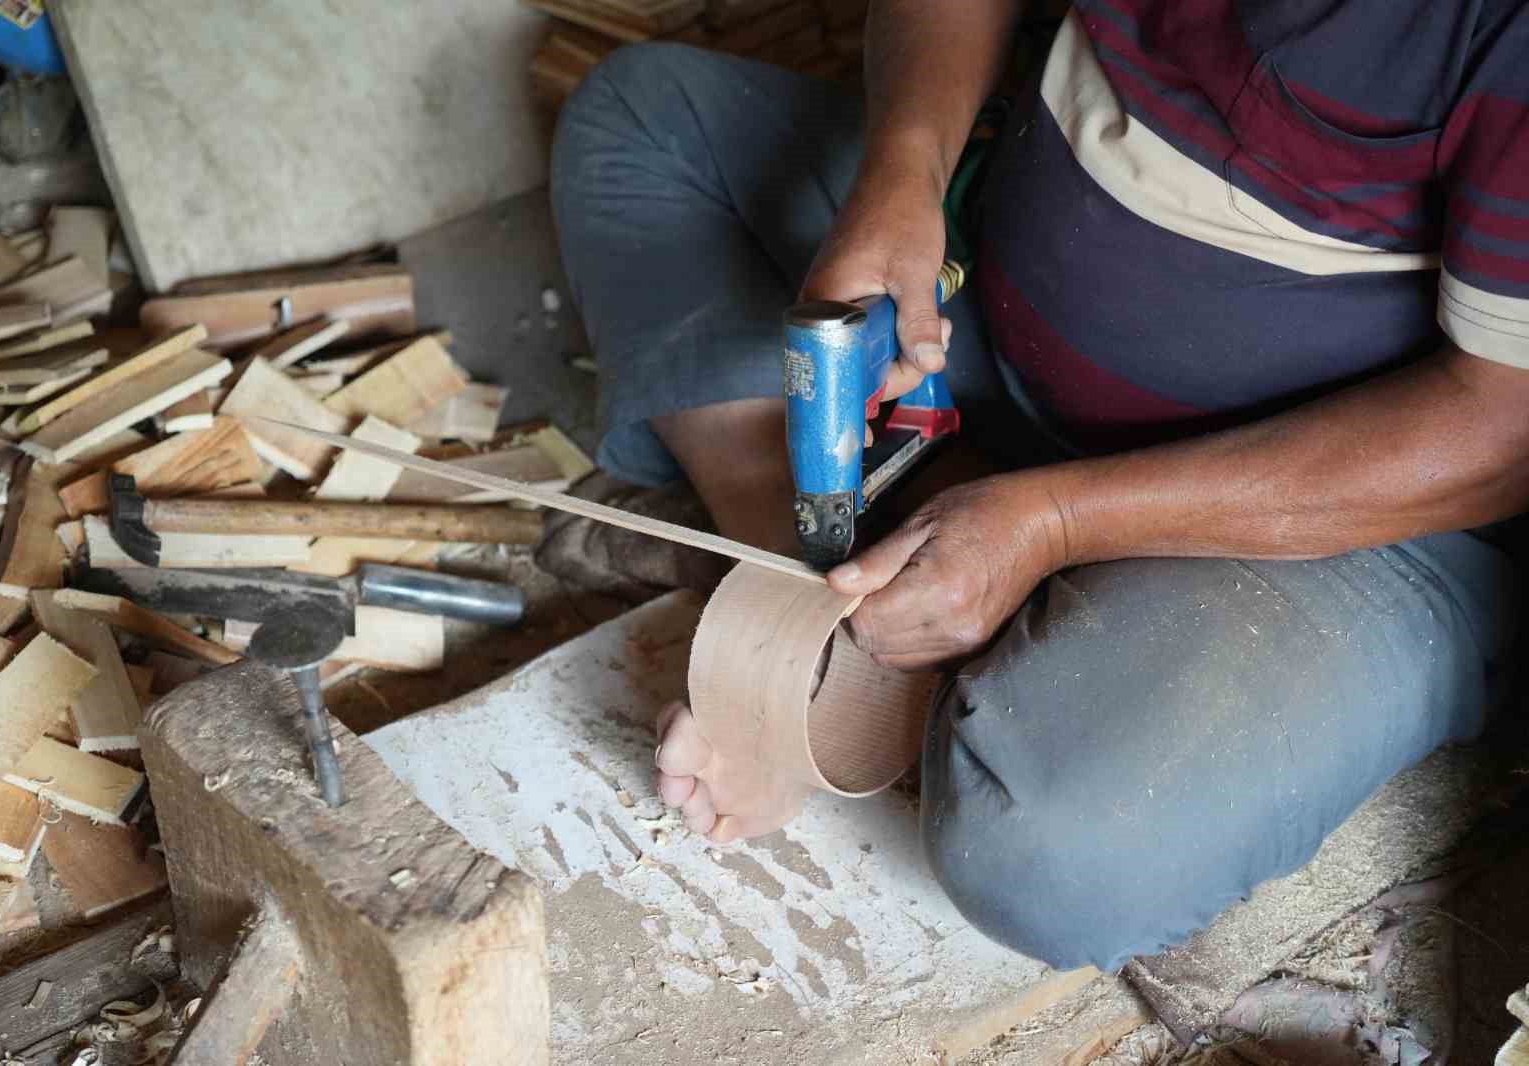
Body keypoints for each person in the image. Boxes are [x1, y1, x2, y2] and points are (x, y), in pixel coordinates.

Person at [548, 0, 1529, 972]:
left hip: (1326, 500)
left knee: (1059, 852)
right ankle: (821, 607)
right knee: (643, 118)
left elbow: (1497, 435)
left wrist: (1055, 521)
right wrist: (906, 171)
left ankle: (925, 599)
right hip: (983, 314)